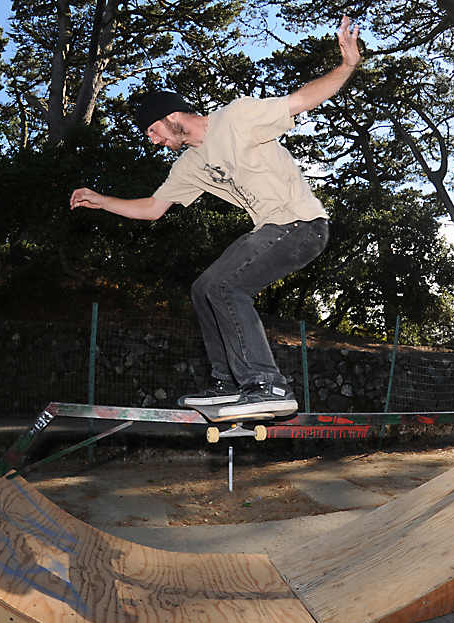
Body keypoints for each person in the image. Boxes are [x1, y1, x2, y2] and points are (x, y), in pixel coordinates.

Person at [70, 17, 361, 420]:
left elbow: (299, 101)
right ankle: (227, 382)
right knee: (203, 287)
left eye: (153, 131)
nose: (154, 141)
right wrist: (102, 201)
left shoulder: (236, 118)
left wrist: (346, 66)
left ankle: (267, 383)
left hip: (301, 225)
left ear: (172, 115)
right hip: (273, 231)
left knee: (224, 286)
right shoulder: (188, 164)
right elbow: (154, 208)